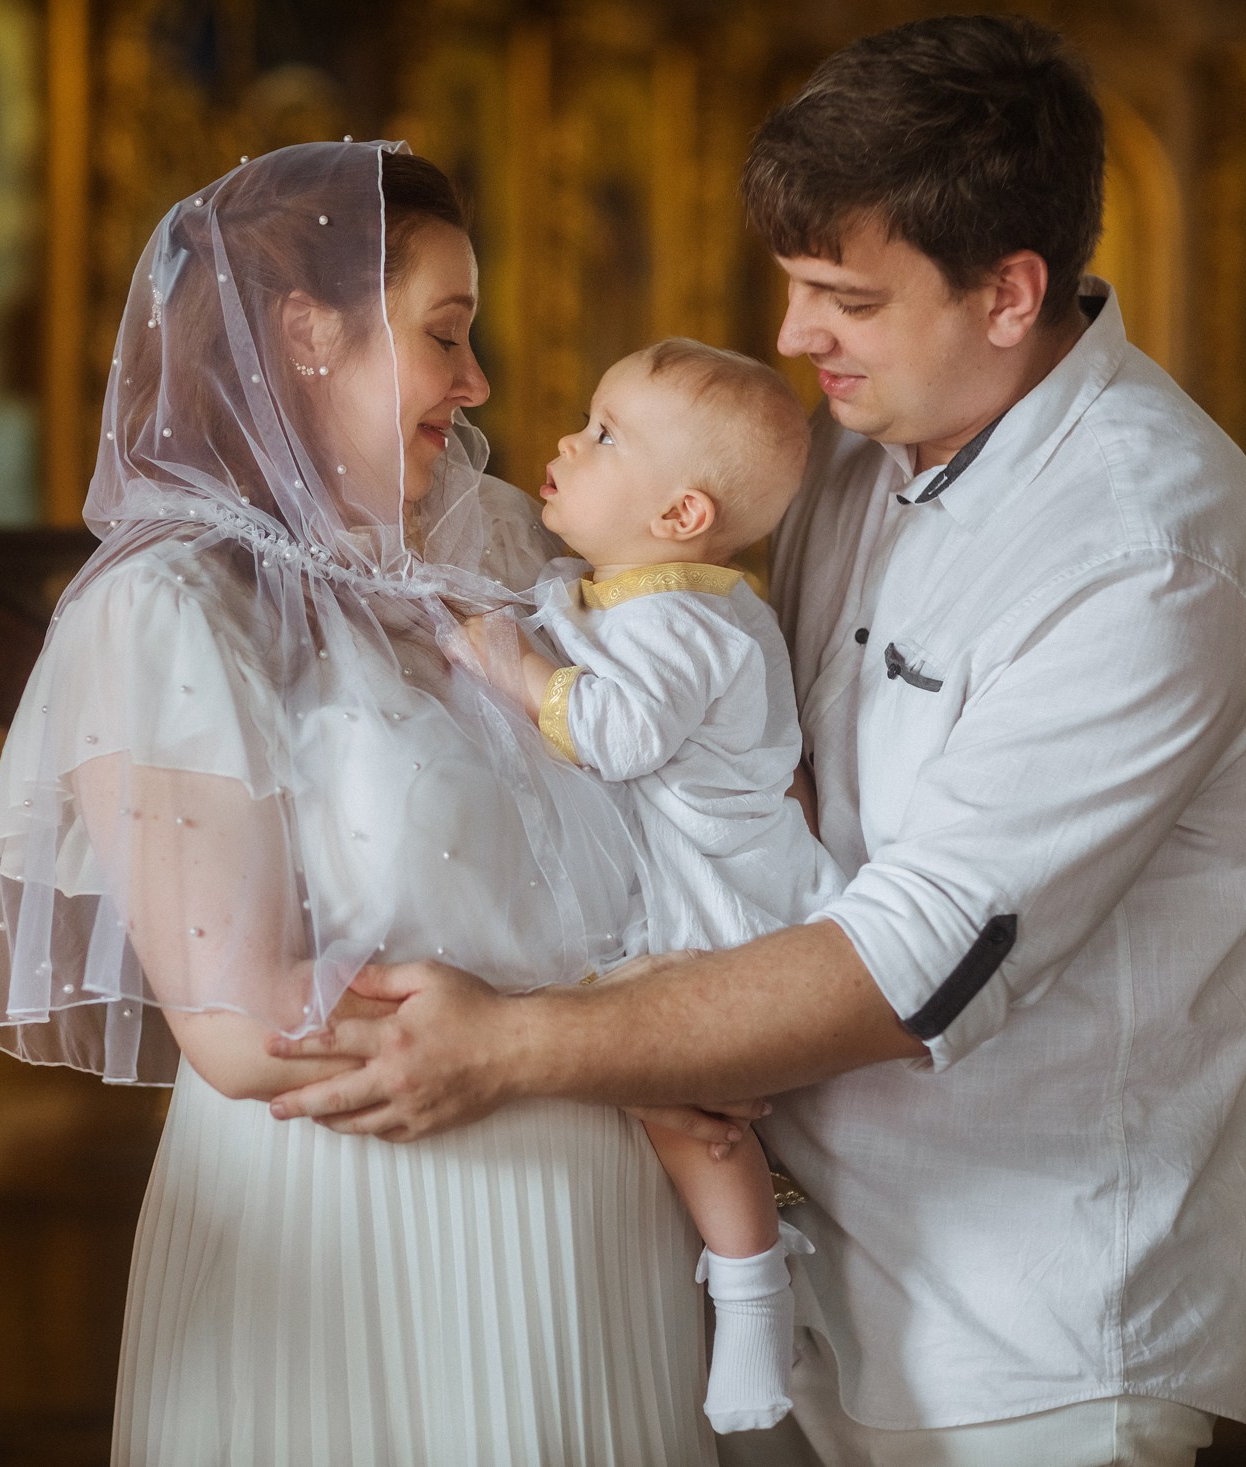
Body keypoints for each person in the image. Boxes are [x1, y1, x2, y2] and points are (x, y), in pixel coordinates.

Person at [268, 18, 1246, 1467]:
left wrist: (515, 1042)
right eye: (796, 285)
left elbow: (919, 955)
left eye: (844, 297)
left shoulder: (1148, 549)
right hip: (804, 1282)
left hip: (1029, 1335)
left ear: (1011, 289)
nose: (795, 334)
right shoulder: (868, 454)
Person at [0, 142, 719, 1465]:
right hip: (370, 1228)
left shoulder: (482, 553)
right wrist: (595, 1032)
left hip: (601, 1236)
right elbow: (250, 1023)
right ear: (309, 334)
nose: (477, 383)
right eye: (446, 335)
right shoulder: (166, 610)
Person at [460, 338, 839, 1434]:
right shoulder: (634, 593)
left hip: (722, 909)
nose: (571, 441)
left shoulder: (684, 620)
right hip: (685, 883)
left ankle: (753, 1298)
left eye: (607, 435)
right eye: (588, 418)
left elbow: (615, 734)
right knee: (672, 1105)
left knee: (691, 1116)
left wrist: (510, 666)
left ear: (678, 515)